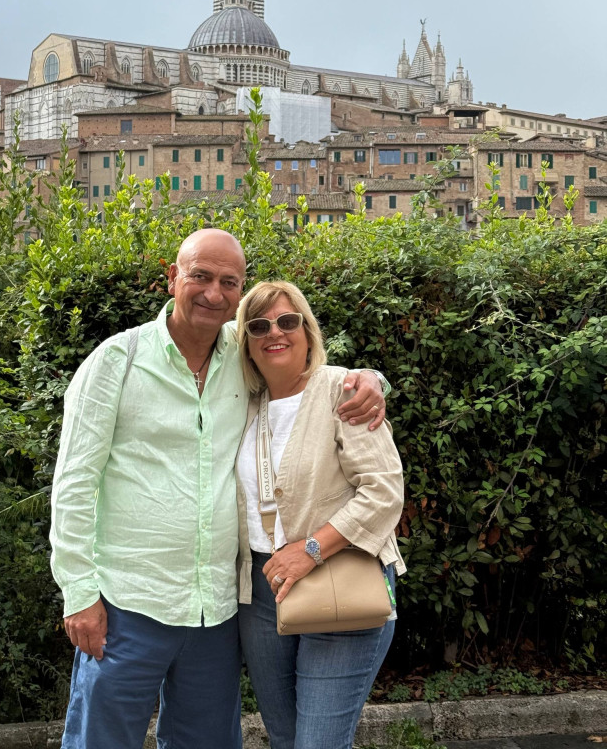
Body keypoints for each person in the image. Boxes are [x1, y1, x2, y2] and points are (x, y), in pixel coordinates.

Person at [50, 229, 389, 749]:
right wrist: (79, 594)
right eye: (200, 276)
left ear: (240, 289)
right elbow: (73, 484)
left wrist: (370, 379)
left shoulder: (244, 353)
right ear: (172, 279)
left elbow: (309, 372)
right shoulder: (116, 362)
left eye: (228, 281)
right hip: (128, 602)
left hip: (215, 610)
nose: (214, 293)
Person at [235, 280, 405, 749]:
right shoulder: (242, 406)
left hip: (340, 581)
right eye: (259, 325)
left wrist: (309, 550)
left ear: (307, 331)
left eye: (288, 322)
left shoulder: (343, 391)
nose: (276, 333)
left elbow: (384, 493)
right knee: (287, 740)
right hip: (262, 592)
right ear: (245, 343)